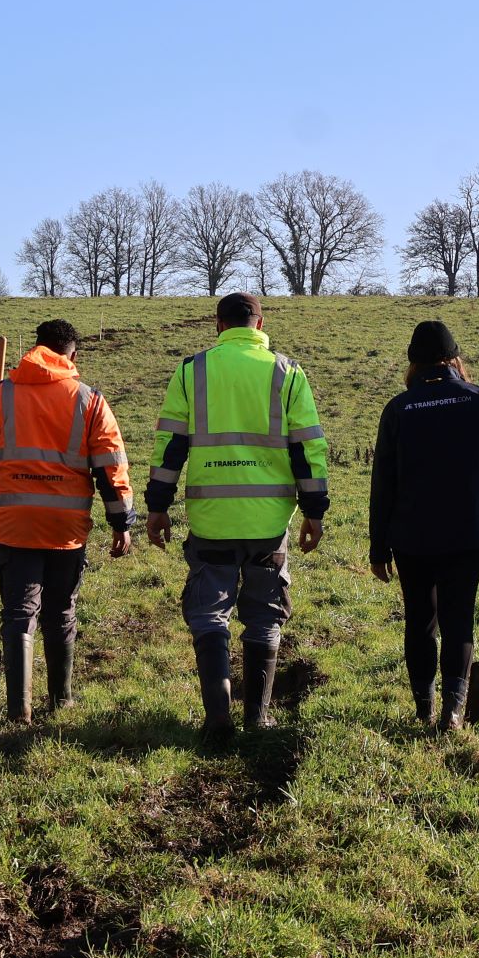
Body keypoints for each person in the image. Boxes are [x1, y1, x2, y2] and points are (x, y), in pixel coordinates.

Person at [146, 291, 328, 745]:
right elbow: (307, 448)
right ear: (260, 324)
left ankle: (217, 715)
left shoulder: (192, 371)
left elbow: (170, 446)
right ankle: (258, 717)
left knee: (210, 613)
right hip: (268, 522)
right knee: (265, 616)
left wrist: (157, 505)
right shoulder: (287, 373)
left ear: (218, 324)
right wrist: (314, 510)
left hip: (211, 518)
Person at [0, 319, 133, 723]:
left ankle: (19, 709)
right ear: (73, 354)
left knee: (19, 612)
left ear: (34, 348)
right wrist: (122, 522)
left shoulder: (3, 393)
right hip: (65, 527)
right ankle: (61, 701)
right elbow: (111, 467)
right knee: (60, 610)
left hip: (16, 522)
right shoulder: (90, 399)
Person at [368, 322, 479, 731]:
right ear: (455, 359)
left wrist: (378, 548)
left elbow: (382, 483)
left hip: (411, 533)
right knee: (459, 616)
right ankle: (454, 711)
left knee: (420, 617)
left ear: (412, 363)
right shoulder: (478, 400)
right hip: (467, 532)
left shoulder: (399, 409)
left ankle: (425, 709)